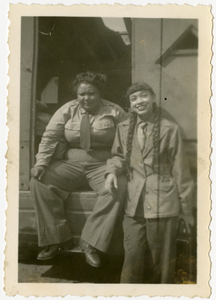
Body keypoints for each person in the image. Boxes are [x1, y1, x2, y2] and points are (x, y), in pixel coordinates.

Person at [30, 71, 128, 267]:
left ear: (100, 93)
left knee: (118, 186)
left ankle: (91, 243)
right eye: (81, 94)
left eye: (91, 93)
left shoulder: (115, 111)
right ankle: (56, 239)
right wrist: (41, 163)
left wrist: (114, 170)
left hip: (102, 164)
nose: (86, 98)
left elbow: (126, 146)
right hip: (71, 163)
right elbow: (50, 137)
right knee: (39, 182)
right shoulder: (67, 110)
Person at [105, 82, 194, 283]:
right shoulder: (123, 127)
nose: (139, 101)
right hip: (134, 203)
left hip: (163, 203)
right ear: (130, 104)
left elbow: (180, 169)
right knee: (132, 259)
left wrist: (187, 209)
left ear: (153, 98)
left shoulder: (169, 129)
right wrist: (111, 172)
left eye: (143, 96)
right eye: (134, 99)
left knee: (162, 263)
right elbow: (118, 156)